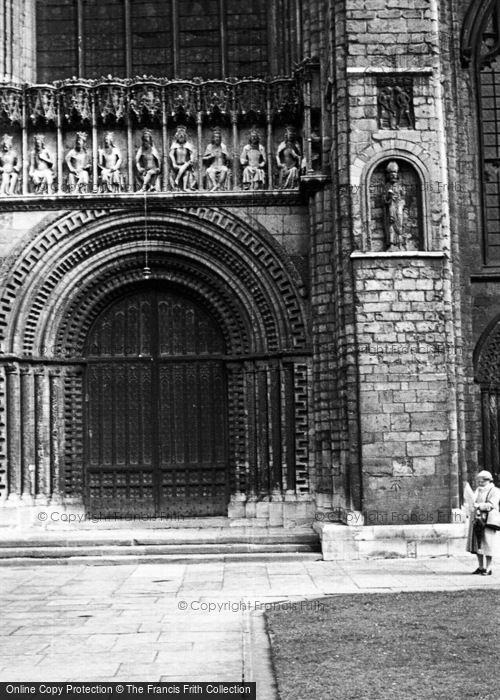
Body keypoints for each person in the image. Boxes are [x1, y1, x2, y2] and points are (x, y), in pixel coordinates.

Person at [466, 470, 500, 575]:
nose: (480, 483)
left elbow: (492, 505)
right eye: (479, 481)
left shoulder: (495, 491)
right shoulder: (479, 490)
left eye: (481, 481)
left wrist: (479, 505)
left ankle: (488, 568)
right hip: (477, 519)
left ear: (488, 480)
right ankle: (480, 566)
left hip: (488, 521)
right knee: (478, 544)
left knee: (488, 544)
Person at [384, 160, 406, 251]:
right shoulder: (386, 186)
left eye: (394, 173)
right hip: (390, 207)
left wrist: (400, 204)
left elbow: (404, 199)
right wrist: (389, 197)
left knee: (399, 224)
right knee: (390, 224)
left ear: (397, 175)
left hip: (398, 207)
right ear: (388, 176)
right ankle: (391, 244)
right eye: (391, 174)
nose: (393, 175)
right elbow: (384, 200)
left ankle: (400, 244)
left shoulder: (400, 186)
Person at [169, 125, 196, 191]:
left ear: (185, 137)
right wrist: (174, 163)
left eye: (182, 136)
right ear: (177, 137)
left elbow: (192, 154)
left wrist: (192, 159)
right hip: (177, 165)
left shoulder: (188, 145)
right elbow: (171, 154)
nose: (181, 137)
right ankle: (178, 181)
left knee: (186, 169)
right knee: (184, 168)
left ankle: (182, 185)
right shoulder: (174, 145)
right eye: (179, 136)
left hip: (185, 165)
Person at [203, 127, 230, 191]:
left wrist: (226, 156)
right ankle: (215, 185)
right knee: (209, 170)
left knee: (225, 170)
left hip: (221, 166)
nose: (217, 139)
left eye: (218, 137)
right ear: (213, 138)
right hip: (213, 166)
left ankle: (218, 186)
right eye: (215, 137)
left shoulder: (223, 146)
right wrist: (210, 156)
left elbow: (228, 159)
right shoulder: (210, 146)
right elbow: (203, 158)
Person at [135, 128, 161, 192]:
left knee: (149, 173)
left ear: (150, 140)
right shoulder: (141, 150)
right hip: (145, 170)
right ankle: (151, 186)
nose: (146, 141)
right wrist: (139, 168)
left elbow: (158, 160)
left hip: (154, 169)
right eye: (144, 139)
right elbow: (136, 160)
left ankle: (143, 188)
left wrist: (159, 168)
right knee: (141, 175)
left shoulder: (153, 149)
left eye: (147, 138)